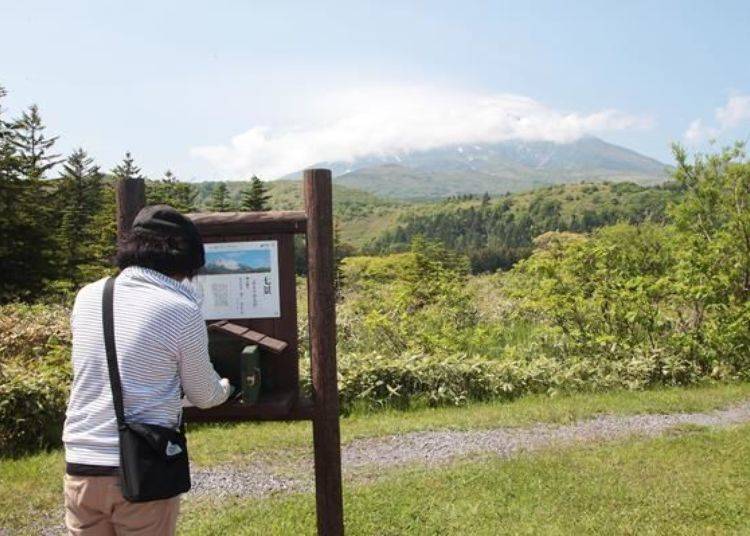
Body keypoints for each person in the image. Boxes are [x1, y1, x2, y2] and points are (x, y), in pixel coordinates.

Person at [62, 205, 232, 535]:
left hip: (81, 465)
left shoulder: (88, 296)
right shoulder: (180, 309)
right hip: (142, 468)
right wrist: (225, 387)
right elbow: (204, 394)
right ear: (186, 262)